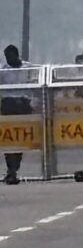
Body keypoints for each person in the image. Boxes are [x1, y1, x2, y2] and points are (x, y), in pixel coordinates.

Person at [1, 45, 32, 185]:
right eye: (7, 56)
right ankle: (11, 170)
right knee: (8, 137)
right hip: (8, 105)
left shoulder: (28, 68)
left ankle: (15, 167)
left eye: (12, 55)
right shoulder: (3, 71)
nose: (10, 58)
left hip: (23, 104)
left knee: (21, 137)